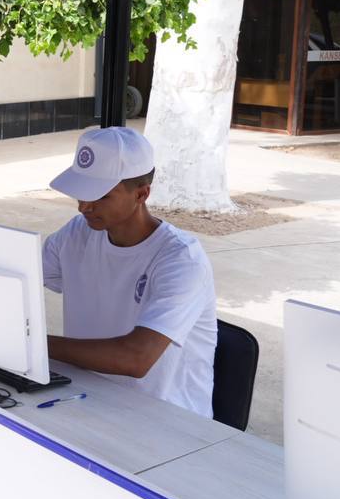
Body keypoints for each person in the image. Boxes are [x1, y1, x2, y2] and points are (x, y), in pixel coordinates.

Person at [43, 126, 217, 417]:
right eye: (81, 193)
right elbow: (21, 276)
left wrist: (35, 343)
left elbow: (136, 358)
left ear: (141, 194)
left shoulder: (181, 260)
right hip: (88, 398)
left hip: (166, 422)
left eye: (100, 196)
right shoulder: (77, 233)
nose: (84, 206)